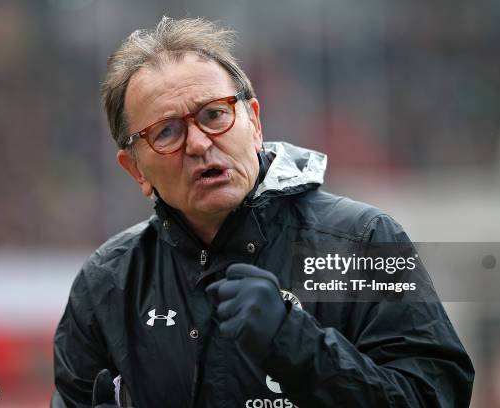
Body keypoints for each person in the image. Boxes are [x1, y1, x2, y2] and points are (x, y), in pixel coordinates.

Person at [53, 17, 475, 408]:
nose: (199, 143)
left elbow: (435, 395)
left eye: (214, 114)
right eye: (167, 132)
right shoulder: (107, 285)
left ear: (253, 122)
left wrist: (295, 343)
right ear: (136, 169)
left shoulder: (363, 241)